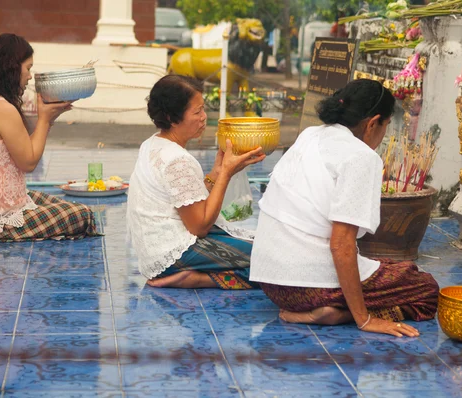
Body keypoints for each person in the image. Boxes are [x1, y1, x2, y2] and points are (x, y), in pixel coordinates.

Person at [250, 79, 439, 337]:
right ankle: (338, 314)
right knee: (425, 288)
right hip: (308, 289)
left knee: (397, 268)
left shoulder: (310, 135)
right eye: (385, 127)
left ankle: (327, 309)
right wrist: (364, 320)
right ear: (373, 123)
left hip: (271, 283)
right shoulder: (360, 156)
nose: (382, 137)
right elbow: (341, 245)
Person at [0, 33, 97, 242]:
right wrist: (44, 119)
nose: (29, 76)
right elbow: (28, 162)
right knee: (83, 215)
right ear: (11, 68)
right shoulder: (3, 108)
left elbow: (25, 147)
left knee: (51, 202)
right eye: (28, 68)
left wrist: (50, 118)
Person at [127, 75, 266, 289]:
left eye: (203, 109)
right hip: (174, 255)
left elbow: (187, 199)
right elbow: (199, 226)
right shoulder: (178, 159)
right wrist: (227, 174)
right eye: (197, 112)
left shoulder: (152, 143)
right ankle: (198, 279)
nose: (204, 117)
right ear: (172, 118)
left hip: (154, 252)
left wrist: (216, 175)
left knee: (262, 244)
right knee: (271, 260)